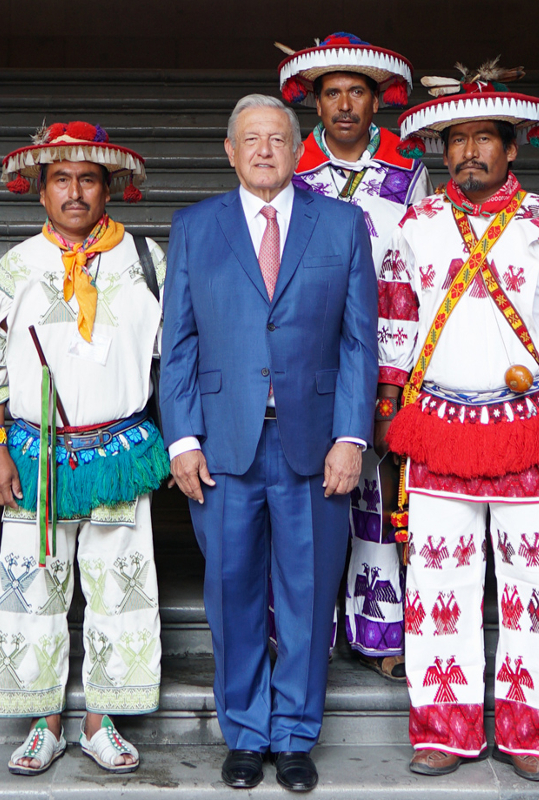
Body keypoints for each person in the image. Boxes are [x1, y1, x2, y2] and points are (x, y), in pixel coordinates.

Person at [378, 64, 539, 780]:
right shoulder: (416, 224)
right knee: (438, 588)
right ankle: (444, 731)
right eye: (456, 139)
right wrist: (389, 406)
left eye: (484, 139)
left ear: (512, 148)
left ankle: (532, 737)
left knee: (531, 589)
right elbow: (394, 319)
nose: (468, 151)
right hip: (439, 424)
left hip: (530, 429)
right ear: (441, 152)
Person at [159, 94, 375, 792]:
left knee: (309, 596)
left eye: (276, 139)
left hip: (314, 446)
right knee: (232, 593)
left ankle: (295, 736)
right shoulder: (196, 227)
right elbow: (180, 341)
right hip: (222, 447)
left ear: (296, 149)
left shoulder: (342, 226)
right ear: (229, 151)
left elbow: (358, 342)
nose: (262, 151)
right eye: (249, 140)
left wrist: (351, 435)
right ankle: (246, 733)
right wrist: (182, 438)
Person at [0, 121, 168, 776]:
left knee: (121, 590)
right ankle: (43, 722)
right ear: (40, 191)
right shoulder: (17, 266)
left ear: (108, 188)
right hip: (34, 457)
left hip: (117, 454)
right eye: (61, 180)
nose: (74, 192)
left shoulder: (148, 262)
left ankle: (103, 719)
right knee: (33, 590)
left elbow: (177, 353)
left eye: (87, 179)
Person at [276, 31, 431, 681]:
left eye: (357, 93)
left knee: (377, 490)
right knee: (308, 488)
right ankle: (306, 629)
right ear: (315, 103)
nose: (344, 105)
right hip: (308, 349)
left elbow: (420, 264)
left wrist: (401, 370)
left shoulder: (408, 172)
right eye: (332, 92)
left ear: (378, 102)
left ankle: (379, 631)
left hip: (386, 348)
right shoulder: (292, 169)